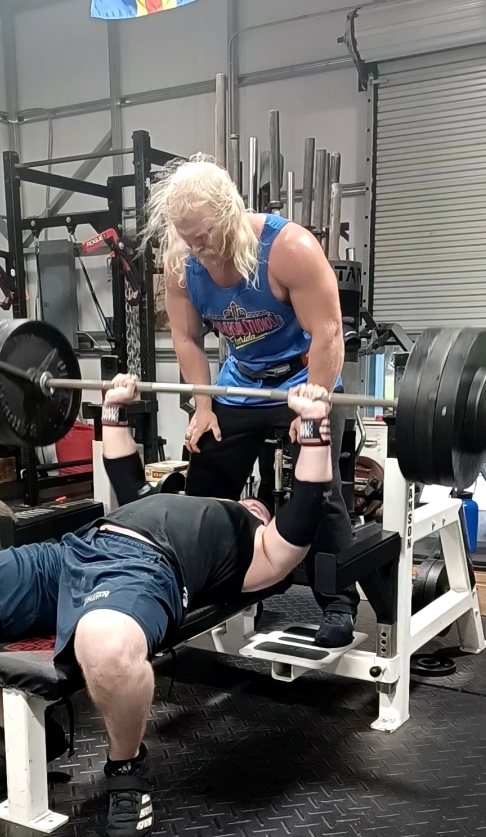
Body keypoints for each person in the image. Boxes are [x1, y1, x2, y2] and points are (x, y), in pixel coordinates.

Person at [0, 376, 338, 837]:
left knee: (107, 650)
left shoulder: (260, 550)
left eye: (260, 507)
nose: (251, 502)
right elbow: (123, 467)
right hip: (68, 554)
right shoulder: (164, 500)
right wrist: (114, 406)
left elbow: (306, 504)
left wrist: (313, 427)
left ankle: (126, 768)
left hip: (144, 571)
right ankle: (28, 738)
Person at [143, 156, 359, 649]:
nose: (195, 248)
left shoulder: (289, 250)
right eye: (186, 238)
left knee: (320, 487)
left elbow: (328, 332)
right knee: (205, 476)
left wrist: (315, 402)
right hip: (240, 383)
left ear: (230, 212)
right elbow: (186, 338)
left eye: (203, 236)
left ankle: (338, 602)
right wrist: (203, 407)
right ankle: (205, 581)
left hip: (303, 379)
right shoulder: (181, 263)